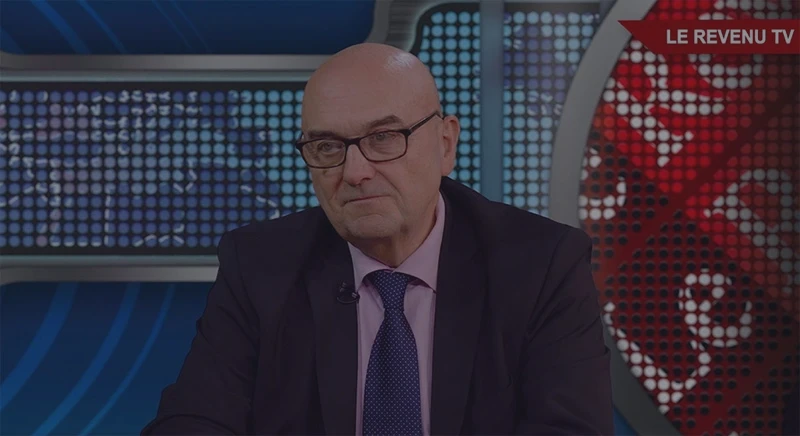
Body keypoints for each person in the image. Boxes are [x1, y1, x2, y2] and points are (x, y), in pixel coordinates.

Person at [142, 43, 614, 435]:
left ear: (445, 144)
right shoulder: (260, 266)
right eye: (327, 146)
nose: (355, 172)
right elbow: (193, 422)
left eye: (384, 137)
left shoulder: (542, 265)